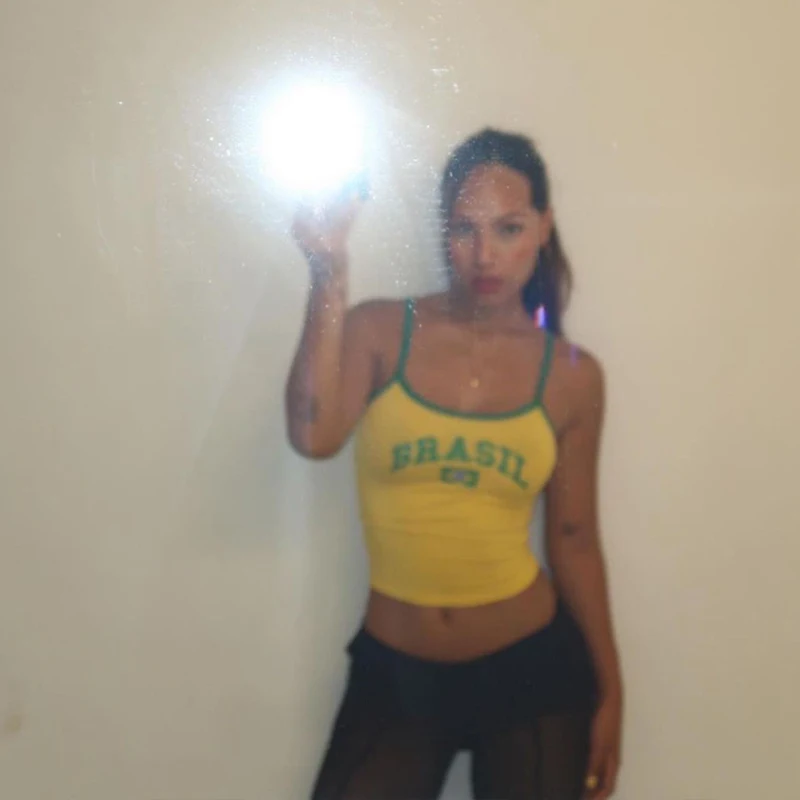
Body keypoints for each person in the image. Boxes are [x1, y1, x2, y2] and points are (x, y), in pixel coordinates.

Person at [285, 128, 623, 800]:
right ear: (444, 231)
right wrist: (328, 270)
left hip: (533, 671)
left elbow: (575, 539)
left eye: (508, 228)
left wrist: (612, 690)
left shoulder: (571, 376)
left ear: (543, 227)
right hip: (396, 675)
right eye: (465, 228)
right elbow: (313, 436)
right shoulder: (381, 330)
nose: (484, 254)